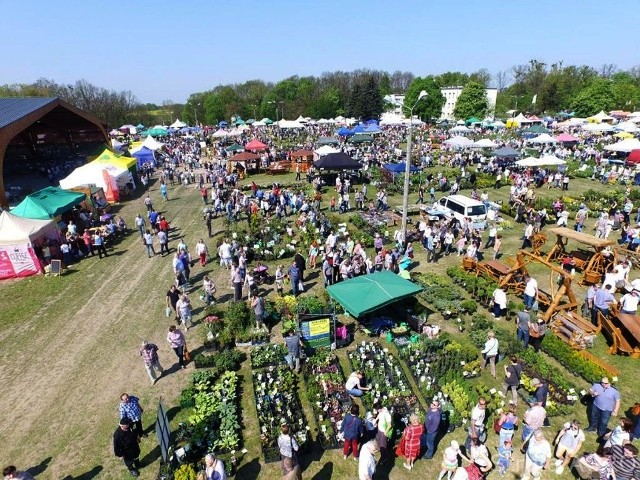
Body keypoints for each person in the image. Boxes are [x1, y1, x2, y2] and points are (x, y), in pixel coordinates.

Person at [373, 400, 392, 465]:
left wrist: (385, 433)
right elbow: (379, 415)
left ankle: (385, 457)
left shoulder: (387, 414)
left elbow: (389, 425)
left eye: (376, 410)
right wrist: (376, 420)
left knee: (383, 445)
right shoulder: (381, 411)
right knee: (378, 439)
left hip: (383, 431)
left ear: (379, 409)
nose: (376, 411)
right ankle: (379, 449)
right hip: (380, 429)